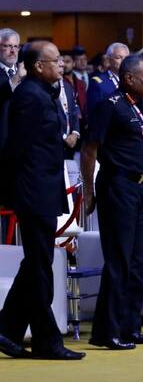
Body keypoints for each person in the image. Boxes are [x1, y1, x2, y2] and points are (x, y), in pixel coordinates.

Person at [0, 41, 85, 360]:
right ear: (38, 66)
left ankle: (7, 329)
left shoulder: (43, 93)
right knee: (39, 266)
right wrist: (18, 191)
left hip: (44, 187)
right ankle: (46, 340)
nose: (61, 64)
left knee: (36, 263)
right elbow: (16, 149)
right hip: (33, 190)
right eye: (55, 60)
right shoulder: (29, 97)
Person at [81, 55, 143, 350]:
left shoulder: (138, 105)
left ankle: (130, 326)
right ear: (129, 78)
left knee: (137, 261)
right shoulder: (109, 105)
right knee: (119, 260)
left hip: (139, 187)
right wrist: (89, 191)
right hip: (117, 185)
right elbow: (89, 150)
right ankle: (106, 331)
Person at [87, 42, 129, 119]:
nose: (123, 61)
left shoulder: (132, 80)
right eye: (118, 57)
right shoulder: (98, 82)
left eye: (126, 58)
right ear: (109, 60)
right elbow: (92, 113)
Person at [0, 28, 24, 151]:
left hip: (24, 140)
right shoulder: (21, 73)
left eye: (16, 46)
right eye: (7, 46)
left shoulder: (26, 73)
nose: (13, 51)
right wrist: (17, 76)